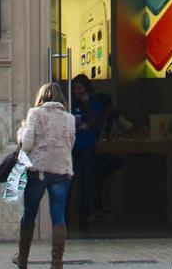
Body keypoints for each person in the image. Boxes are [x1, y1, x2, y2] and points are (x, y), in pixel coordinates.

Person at [12, 82, 75, 269]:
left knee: (30, 214)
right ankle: (57, 262)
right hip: (61, 171)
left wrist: (21, 131)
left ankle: (22, 259)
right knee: (58, 216)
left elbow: (27, 144)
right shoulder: (69, 118)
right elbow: (70, 145)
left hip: (38, 170)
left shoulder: (35, 114)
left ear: (42, 97)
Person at [69, 74, 100, 230]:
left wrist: (86, 101)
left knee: (88, 180)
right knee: (70, 180)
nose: (77, 91)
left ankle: (88, 213)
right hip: (73, 146)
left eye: (80, 88)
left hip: (87, 145)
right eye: (74, 88)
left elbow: (94, 121)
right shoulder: (71, 102)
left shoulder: (93, 102)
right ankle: (69, 214)